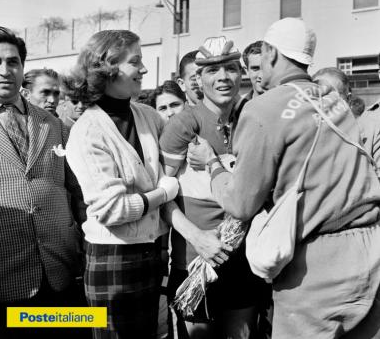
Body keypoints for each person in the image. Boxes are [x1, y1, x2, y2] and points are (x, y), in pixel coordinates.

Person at [192, 18, 380, 338]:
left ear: (270, 53)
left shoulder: (264, 108)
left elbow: (240, 204)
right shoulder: (333, 99)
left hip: (317, 267)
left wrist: (213, 166)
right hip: (370, 253)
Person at [65, 29, 179, 339]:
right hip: (114, 259)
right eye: (136, 62)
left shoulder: (147, 116)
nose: (143, 69)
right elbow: (114, 210)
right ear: (108, 68)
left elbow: (181, 143)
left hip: (153, 254)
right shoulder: (88, 131)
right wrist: (164, 192)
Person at [160, 36, 267, 339]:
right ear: (199, 78)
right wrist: (197, 237)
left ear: (241, 73)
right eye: (212, 71)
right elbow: (162, 196)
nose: (223, 77)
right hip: (197, 258)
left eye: (231, 69)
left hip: (247, 258)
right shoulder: (183, 124)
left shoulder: (255, 118)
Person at [0, 26, 86, 339]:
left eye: (13, 61)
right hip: (2, 278)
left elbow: (78, 191)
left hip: (61, 271)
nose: (4, 71)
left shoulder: (53, 123)